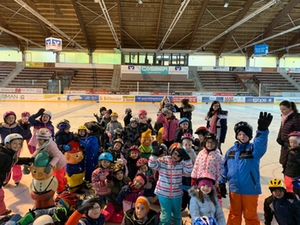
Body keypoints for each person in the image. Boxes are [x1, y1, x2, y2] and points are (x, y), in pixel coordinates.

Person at [219, 112, 273, 225]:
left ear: (250, 136)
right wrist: (222, 182)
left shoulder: (254, 150)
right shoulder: (231, 151)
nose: (242, 137)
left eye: (245, 135)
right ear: (236, 135)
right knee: (234, 214)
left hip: (250, 190)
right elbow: (224, 167)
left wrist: (262, 131)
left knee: (250, 215)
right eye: (240, 134)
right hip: (234, 189)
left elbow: (261, 144)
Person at [148, 141, 193, 225]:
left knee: (177, 215)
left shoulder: (181, 164)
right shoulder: (164, 160)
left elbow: (189, 169)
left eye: (179, 155)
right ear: (171, 151)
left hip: (176, 194)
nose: (176, 156)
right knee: (166, 215)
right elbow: (152, 164)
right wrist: (154, 154)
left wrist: (186, 158)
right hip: (163, 193)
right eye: (175, 153)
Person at [0, 134, 34, 216]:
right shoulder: (2, 155)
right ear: (8, 144)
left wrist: (28, 160)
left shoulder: (10, 153)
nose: (17, 146)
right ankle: (2, 211)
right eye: (14, 143)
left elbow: (16, 160)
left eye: (19, 144)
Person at [31, 128, 67, 194]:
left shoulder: (51, 145)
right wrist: (31, 159)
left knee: (58, 178)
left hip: (59, 164)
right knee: (56, 177)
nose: (38, 141)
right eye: (38, 139)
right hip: (52, 164)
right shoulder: (40, 144)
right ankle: (64, 183)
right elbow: (37, 151)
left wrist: (50, 165)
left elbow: (57, 156)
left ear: (46, 140)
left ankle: (61, 191)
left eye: (40, 140)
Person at [277, 100, 300, 171]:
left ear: (290, 108)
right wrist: (279, 138)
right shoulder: (284, 117)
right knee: (285, 163)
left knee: (292, 165)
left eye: (284, 109)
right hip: (284, 146)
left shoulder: (295, 118)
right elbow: (282, 129)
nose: (282, 111)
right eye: (281, 109)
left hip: (293, 146)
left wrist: (290, 143)